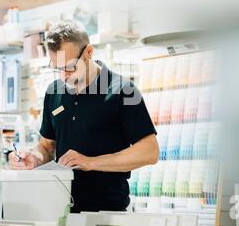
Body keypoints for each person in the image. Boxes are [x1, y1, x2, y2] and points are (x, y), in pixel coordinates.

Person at [10, 20, 159, 213]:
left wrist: (91, 162)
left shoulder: (124, 91)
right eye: (57, 68)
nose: (63, 76)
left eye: (70, 67)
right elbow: (47, 145)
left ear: (88, 52)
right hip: (59, 208)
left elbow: (149, 151)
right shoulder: (54, 91)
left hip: (106, 213)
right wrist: (35, 157)